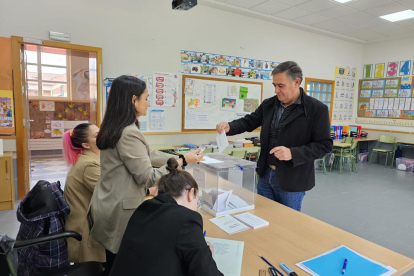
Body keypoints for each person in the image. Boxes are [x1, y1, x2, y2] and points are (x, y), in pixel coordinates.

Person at [89, 75, 203, 276]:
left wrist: (175, 157)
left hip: (106, 201)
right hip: (120, 209)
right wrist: (183, 161)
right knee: (120, 265)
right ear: (134, 100)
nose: (149, 103)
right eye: (146, 98)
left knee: (112, 262)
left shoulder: (115, 127)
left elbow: (146, 155)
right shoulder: (129, 132)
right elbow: (148, 178)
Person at [216, 61, 332, 211]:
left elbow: (324, 145)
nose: (276, 90)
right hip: (265, 175)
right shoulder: (269, 104)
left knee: (288, 224)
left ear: (296, 82)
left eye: (281, 86)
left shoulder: (316, 109)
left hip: (292, 179)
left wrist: (292, 153)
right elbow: (249, 121)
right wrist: (230, 126)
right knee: (263, 217)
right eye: (274, 85)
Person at [109, 158, 223, 276]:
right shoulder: (187, 219)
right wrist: (206, 255)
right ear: (190, 193)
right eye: (197, 199)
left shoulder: (144, 207)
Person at [62, 123, 105, 263]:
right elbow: (111, 193)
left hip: (85, 225)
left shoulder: (88, 159)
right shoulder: (89, 165)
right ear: (86, 145)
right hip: (85, 233)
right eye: (97, 135)